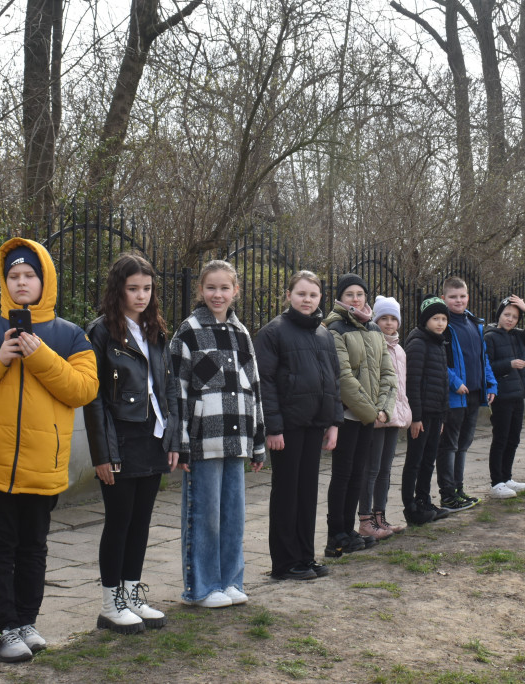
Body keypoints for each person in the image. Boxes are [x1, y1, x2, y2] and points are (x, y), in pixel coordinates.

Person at [0, 239, 98, 662]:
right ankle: (3, 629)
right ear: (5, 282)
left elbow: (83, 390)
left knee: (33, 546)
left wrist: (40, 356)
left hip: (43, 464)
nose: (21, 283)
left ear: (44, 280)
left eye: (29, 275)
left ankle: (26, 621)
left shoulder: (71, 335)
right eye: (13, 276)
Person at [84, 253, 179, 634]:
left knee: (141, 522)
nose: (141, 296)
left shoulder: (155, 329)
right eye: (133, 288)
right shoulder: (101, 332)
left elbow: (167, 388)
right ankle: (111, 604)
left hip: (153, 438)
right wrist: (104, 453)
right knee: (119, 522)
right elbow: (94, 398)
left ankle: (132, 594)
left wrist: (172, 438)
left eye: (147, 288)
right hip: (121, 438)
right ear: (118, 289)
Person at [170, 260, 265, 608]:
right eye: (211, 287)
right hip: (202, 442)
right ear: (200, 290)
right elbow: (178, 391)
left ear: (235, 291)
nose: (218, 294)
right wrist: (180, 443)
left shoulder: (242, 334)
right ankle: (202, 587)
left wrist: (257, 443)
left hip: (237, 439)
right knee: (204, 517)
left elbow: (253, 389)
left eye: (225, 288)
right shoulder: (189, 332)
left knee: (233, 517)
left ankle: (231, 581)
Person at [255, 271, 341, 581]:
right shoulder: (273, 333)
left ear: (320, 298)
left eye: (313, 295)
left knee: (307, 493)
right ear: (289, 294)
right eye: (301, 293)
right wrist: (273, 428)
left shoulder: (324, 334)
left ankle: (306, 556)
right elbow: (264, 382)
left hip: (315, 425)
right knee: (286, 494)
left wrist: (333, 422)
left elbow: (333, 381)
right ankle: (285, 562)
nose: (307, 300)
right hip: (287, 429)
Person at [322, 274, 397, 556]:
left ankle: (349, 529)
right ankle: (335, 535)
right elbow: (343, 377)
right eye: (350, 294)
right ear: (340, 298)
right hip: (348, 416)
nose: (356, 299)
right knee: (342, 474)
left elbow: (387, 373)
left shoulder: (374, 329)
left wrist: (383, 409)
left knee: (358, 474)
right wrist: (370, 412)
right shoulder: (334, 328)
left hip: (370, 416)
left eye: (360, 294)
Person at [436, 277, 496, 511]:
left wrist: (491, 384)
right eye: (453, 297)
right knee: (449, 445)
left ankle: (459, 489)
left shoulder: (475, 323)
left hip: (475, 393)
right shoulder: (443, 324)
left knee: (463, 444)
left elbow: (483, 358)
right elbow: (440, 361)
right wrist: (454, 382)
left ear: (468, 297)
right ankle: (447, 494)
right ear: (444, 299)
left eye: (462, 296)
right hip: (455, 396)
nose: (458, 301)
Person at [358, 296, 411, 540]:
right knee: (372, 468)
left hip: (395, 416)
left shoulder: (400, 349)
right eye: (383, 318)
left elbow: (400, 386)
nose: (389, 323)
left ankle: (381, 517)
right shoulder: (373, 345)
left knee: (386, 469)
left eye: (393, 319)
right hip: (378, 415)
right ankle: (366, 518)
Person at [483, 295, 525, 498]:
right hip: (501, 396)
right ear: (499, 315)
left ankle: (507, 477)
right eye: (506, 315)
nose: (510, 319)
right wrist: (509, 364)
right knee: (501, 438)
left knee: (513, 437)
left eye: (515, 317)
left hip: (519, 394)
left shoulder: (518, 335)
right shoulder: (489, 337)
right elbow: (486, 366)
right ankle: (496, 482)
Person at [399, 297, 452, 525]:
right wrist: (416, 417)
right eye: (435, 318)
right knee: (415, 460)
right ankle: (410, 507)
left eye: (443, 319)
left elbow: (442, 380)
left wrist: (443, 415)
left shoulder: (439, 343)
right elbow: (413, 382)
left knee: (429, 459)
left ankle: (424, 500)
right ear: (425, 320)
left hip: (436, 414)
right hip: (421, 416)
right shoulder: (418, 342)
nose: (440, 323)